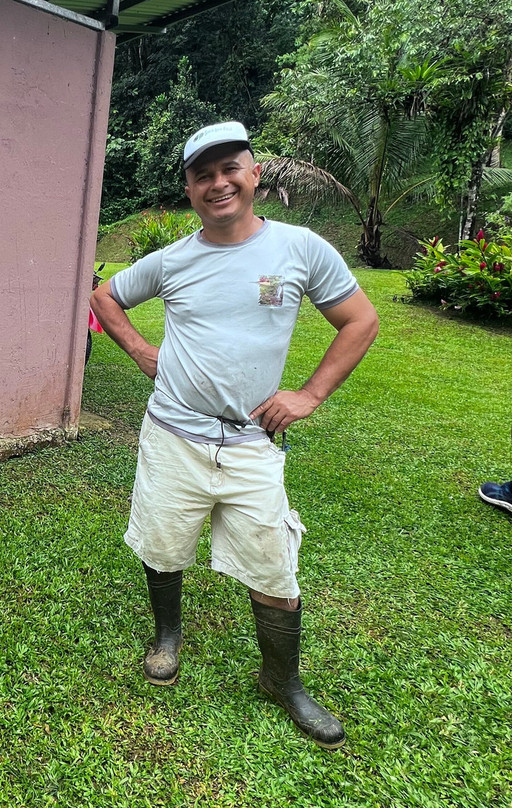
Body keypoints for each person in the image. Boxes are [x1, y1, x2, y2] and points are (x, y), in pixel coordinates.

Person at [90, 121, 379, 749]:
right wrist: (145, 354)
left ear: (253, 174)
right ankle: (167, 636)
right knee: (163, 547)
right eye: (203, 175)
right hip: (173, 436)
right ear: (190, 189)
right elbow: (105, 297)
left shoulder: (299, 250)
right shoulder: (173, 260)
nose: (218, 184)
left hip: (250, 444)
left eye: (230, 170)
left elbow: (359, 319)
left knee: (274, 568)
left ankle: (283, 681)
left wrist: (309, 394)